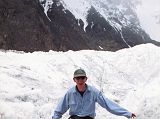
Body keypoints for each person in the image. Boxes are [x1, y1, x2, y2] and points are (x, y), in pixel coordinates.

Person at [52, 68, 136, 119]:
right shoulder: (70, 93)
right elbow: (59, 110)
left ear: (86, 79)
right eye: (78, 78)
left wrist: (127, 113)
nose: (80, 80)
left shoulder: (94, 92)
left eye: (82, 78)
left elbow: (108, 104)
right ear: (74, 80)